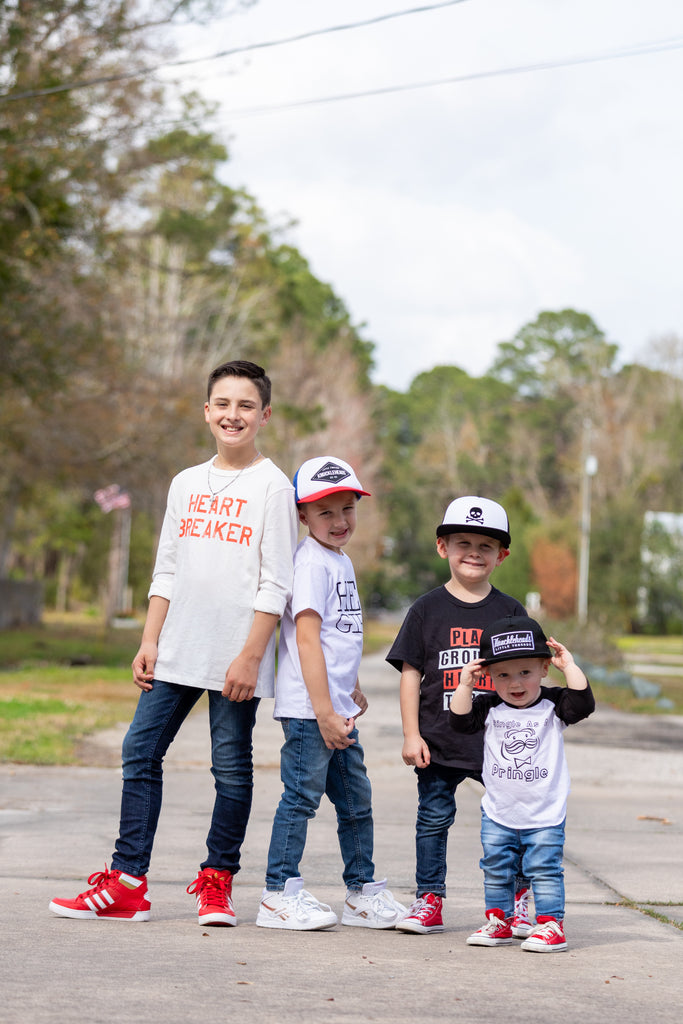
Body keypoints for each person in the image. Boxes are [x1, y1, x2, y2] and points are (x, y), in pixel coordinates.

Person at [49, 359, 298, 926]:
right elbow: (167, 569)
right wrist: (149, 638)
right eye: (223, 404)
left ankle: (217, 882)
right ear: (207, 411)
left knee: (231, 769)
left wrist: (252, 655)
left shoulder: (273, 487)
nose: (232, 414)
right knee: (140, 752)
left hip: (236, 656)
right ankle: (128, 882)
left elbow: (276, 582)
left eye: (245, 405)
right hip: (178, 649)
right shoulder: (185, 482)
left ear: (264, 415)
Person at [256, 456, 406, 931]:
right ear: (302, 515)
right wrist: (323, 710)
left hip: (336, 710)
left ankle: (361, 894)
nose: (340, 521)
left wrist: (351, 687)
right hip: (310, 712)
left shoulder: (339, 560)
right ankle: (278, 895)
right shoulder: (310, 563)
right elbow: (305, 639)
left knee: (356, 803)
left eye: (348, 509)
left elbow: (338, 638)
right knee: (300, 799)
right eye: (326, 512)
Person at [386, 496, 529, 935]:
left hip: (499, 744)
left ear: (501, 555)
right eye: (462, 541)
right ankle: (429, 899)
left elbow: (526, 678)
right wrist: (412, 735)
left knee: (515, 822)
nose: (473, 552)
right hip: (439, 739)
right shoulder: (426, 610)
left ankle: (518, 900)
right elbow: (411, 675)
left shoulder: (510, 612)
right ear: (441, 547)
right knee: (433, 819)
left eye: (485, 545)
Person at [450, 614, 595, 952]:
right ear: (488, 676)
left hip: (544, 812)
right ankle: (499, 922)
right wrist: (464, 685)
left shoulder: (553, 705)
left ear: (544, 668)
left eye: (525, 673)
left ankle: (549, 925)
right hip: (499, 811)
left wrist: (569, 666)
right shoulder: (488, 706)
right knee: (496, 869)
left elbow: (584, 704)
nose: (515, 683)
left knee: (543, 870)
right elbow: (459, 722)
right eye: (503, 675)